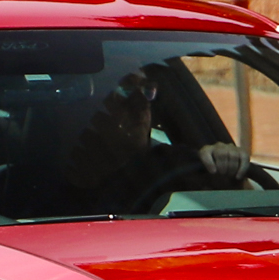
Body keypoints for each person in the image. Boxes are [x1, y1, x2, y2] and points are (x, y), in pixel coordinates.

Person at [55, 67, 247, 213]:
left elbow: (248, 209)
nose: (141, 102)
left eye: (146, 89)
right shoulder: (40, 187)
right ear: (88, 105)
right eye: (126, 89)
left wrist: (227, 166)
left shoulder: (175, 166)